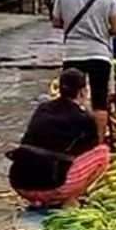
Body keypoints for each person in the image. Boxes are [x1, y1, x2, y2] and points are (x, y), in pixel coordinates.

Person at [8, 68, 109, 207]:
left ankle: (42, 200)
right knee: (103, 153)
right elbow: (92, 146)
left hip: (19, 184)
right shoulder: (84, 118)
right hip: (54, 187)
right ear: (83, 92)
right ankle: (70, 198)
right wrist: (87, 108)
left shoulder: (43, 108)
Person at [52, 0, 116, 142]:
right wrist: (99, 29)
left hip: (72, 54)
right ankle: (98, 143)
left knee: (69, 101)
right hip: (100, 55)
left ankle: (70, 140)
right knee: (100, 102)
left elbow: (57, 23)